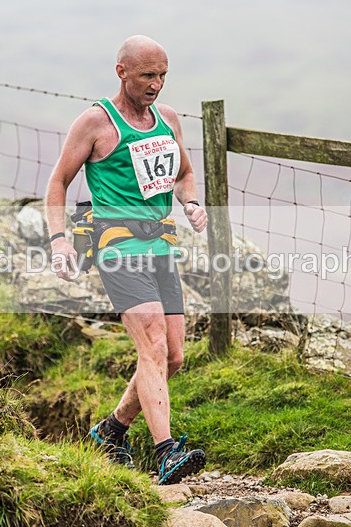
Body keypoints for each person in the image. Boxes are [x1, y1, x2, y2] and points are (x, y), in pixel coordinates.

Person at [45, 35, 208, 485]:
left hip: (160, 247)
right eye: (147, 76)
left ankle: (111, 431)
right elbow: (57, 182)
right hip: (117, 247)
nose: (157, 85)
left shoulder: (168, 120)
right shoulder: (97, 122)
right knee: (152, 345)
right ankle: (166, 451)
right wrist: (60, 241)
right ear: (122, 72)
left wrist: (191, 203)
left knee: (173, 356)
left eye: (163, 75)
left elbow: (185, 173)